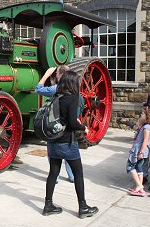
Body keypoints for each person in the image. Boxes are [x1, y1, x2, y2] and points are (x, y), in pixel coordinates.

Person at [42, 70, 98, 219]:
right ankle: (83, 207)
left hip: (53, 141)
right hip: (67, 143)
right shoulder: (72, 98)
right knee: (78, 174)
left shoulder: (56, 96)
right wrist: (83, 128)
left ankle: (48, 205)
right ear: (73, 83)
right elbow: (73, 123)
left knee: (53, 173)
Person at [36, 65, 75, 183]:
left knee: (53, 151)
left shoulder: (55, 89)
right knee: (68, 151)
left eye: (57, 73)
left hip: (55, 124)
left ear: (61, 75)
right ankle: (72, 176)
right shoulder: (74, 88)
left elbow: (38, 89)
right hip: (69, 125)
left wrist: (47, 74)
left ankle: (55, 176)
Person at [126, 108, 150, 197]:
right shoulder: (144, 126)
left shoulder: (147, 127)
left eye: (142, 114)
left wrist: (141, 152)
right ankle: (140, 189)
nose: (140, 116)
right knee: (139, 169)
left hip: (138, 151)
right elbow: (136, 127)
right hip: (140, 151)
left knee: (130, 167)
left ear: (147, 116)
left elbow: (146, 140)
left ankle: (139, 185)